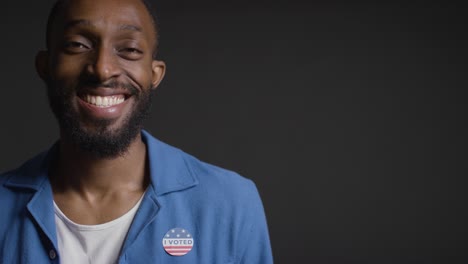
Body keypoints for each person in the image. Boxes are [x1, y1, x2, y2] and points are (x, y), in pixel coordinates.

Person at [0, 0, 273, 263]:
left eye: (129, 50)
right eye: (77, 45)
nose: (103, 69)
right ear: (45, 66)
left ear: (154, 74)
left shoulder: (231, 204)